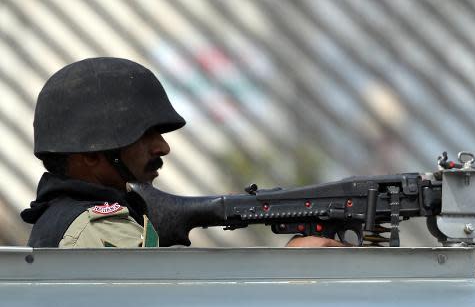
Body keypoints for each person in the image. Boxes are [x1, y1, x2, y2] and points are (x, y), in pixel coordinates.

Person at [20, 57, 343, 248]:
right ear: (91, 155)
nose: (162, 147)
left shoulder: (81, 216)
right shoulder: (97, 229)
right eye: (145, 135)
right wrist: (288, 272)